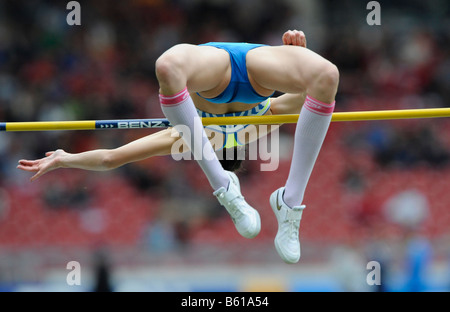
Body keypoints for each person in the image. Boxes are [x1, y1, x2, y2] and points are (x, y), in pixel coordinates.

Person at [18, 30, 339, 263]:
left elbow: (111, 158)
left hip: (220, 69)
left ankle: (255, 193)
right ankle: (256, 193)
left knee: (168, 68)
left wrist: (66, 159)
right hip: (256, 69)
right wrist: (300, 56)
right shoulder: (261, 122)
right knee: (326, 75)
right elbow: (312, 94)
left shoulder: (189, 134)